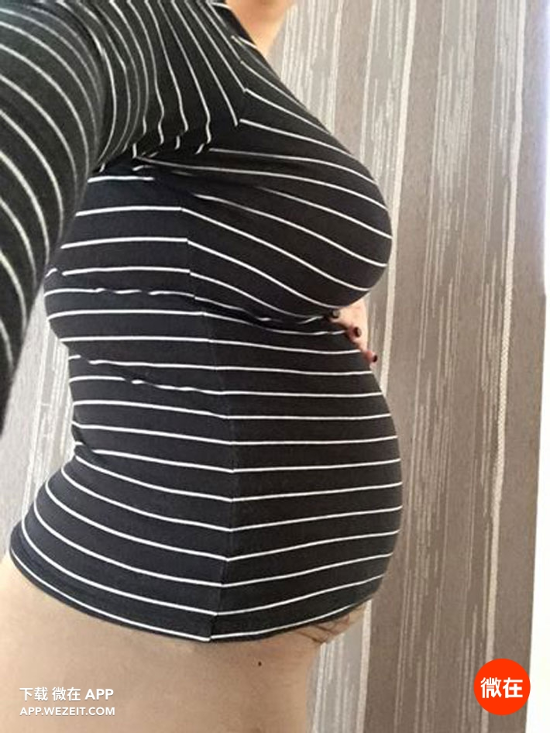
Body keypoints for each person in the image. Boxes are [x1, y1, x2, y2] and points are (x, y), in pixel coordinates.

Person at [0, 1, 403, 730]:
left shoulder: (228, 55)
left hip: (206, 614)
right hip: (140, 619)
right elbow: (43, 51)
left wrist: (316, 300)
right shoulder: (155, 23)